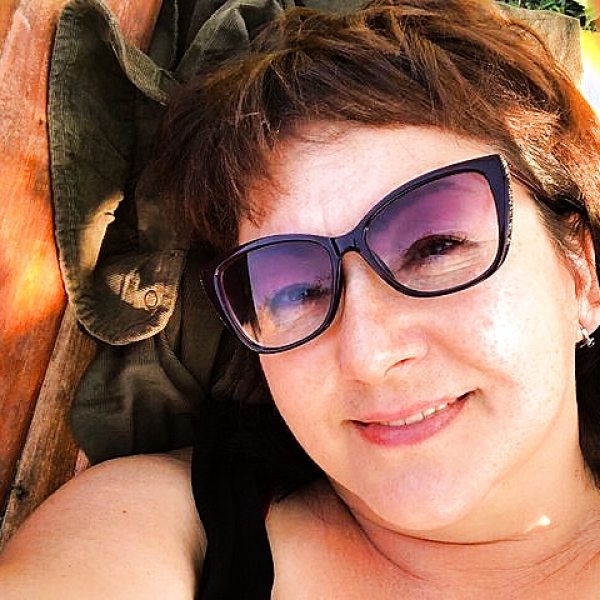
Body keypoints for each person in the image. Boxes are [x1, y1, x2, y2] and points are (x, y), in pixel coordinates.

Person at [2, 0, 600, 597]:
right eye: (296, 289)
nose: (367, 356)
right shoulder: (163, 530)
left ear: (583, 271)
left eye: (435, 246)